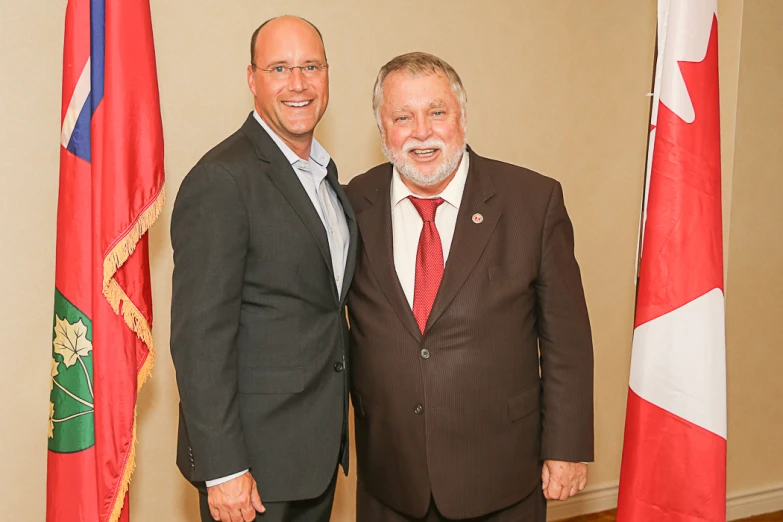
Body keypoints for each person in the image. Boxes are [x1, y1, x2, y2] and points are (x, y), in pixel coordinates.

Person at [345, 52, 594, 522]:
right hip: (390, 480)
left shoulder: (532, 201)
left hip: (499, 477)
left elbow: (568, 341)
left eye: (437, 112)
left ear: (462, 117)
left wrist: (566, 447)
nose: (422, 131)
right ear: (382, 131)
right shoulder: (353, 203)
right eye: (403, 117)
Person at [170, 16, 356, 522]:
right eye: (280, 68)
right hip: (251, 469)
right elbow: (199, 338)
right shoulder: (222, 179)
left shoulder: (325, 177)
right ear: (252, 79)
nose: (298, 83)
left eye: (310, 66)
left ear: (327, 75)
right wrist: (224, 468)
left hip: (313, 456)